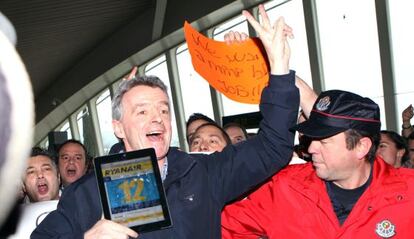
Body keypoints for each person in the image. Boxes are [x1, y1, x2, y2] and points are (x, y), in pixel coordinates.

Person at [32, 9, 305, 238]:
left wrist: (279, 69)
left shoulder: (202, 174)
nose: (157, 118)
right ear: (117, 127)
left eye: (164, 110)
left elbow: (273, 145)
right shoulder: (87, 194)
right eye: (141, 112)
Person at [221, 8, 414, 239]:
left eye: (324, 141)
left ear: (361, 147)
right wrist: (268, 59)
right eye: (312, 139)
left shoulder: (408, 194)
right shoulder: (285, 188)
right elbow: (225, 227)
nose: (311, 148)